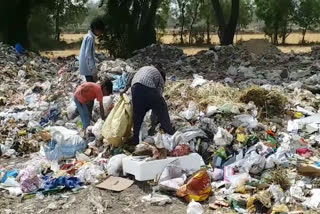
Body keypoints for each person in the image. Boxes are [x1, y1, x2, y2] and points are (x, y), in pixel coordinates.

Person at [122, 66, 175, 145]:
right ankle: (169, 132)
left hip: (135, 87)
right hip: (147, 86)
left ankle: (136, 140)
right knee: (161, 106)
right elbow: (157, 103)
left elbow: (130, 77)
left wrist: (125, 89)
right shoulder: (160, 78)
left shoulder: (147, 69)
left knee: (138, 115)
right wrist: (154, 124)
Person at [79, 17, 105, 83]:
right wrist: (93, 71)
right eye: (101, 31)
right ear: (96, 29)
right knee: (91, 86)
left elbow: (90, 53)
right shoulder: (90, 38)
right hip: (88, 69)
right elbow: (88, 56)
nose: (101, 33)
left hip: (86, 67)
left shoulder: (88, 36)